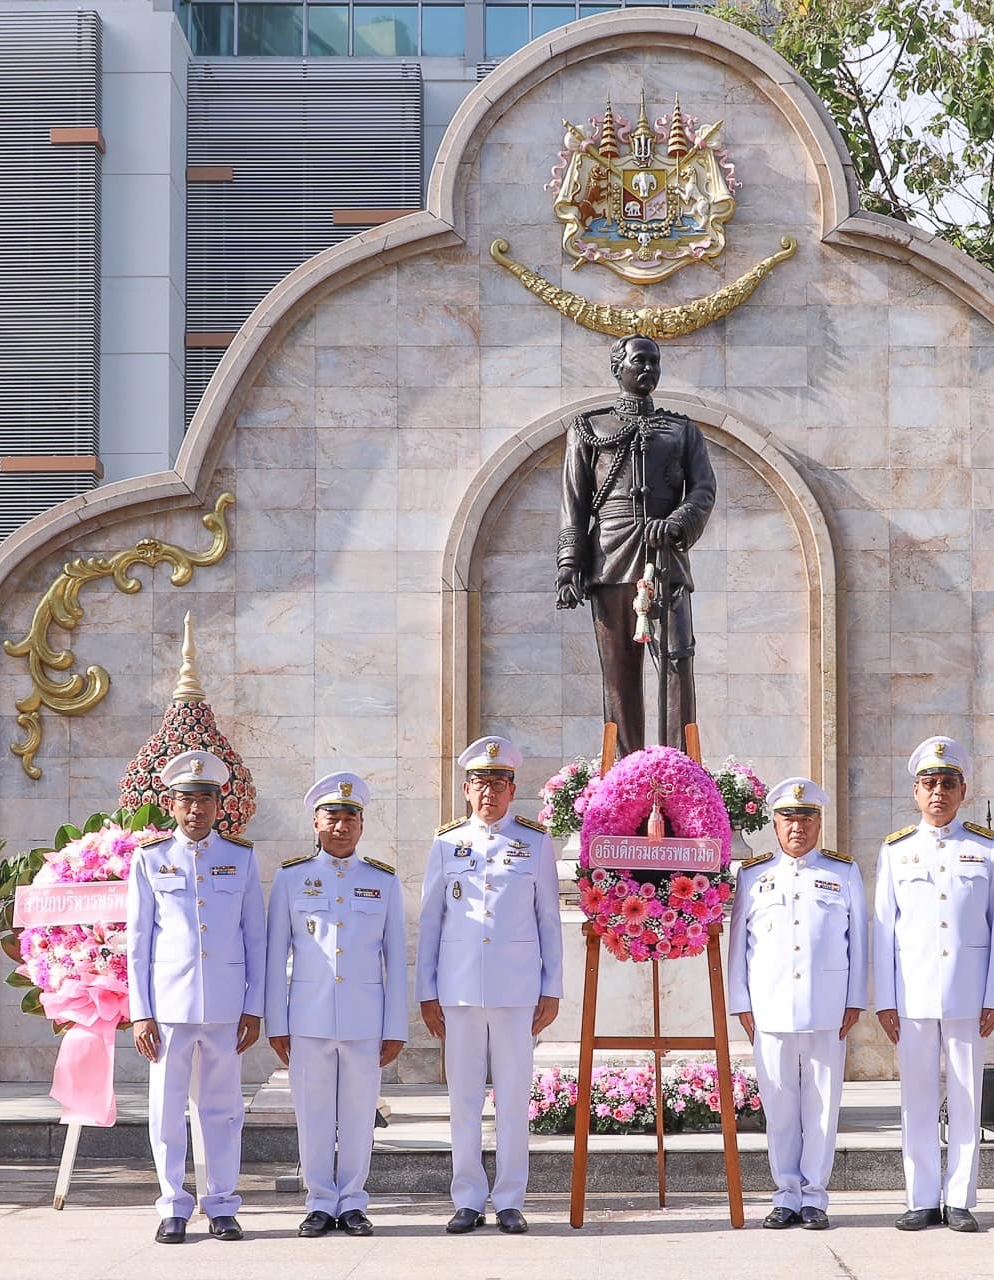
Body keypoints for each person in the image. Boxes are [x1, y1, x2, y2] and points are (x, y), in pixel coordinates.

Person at [417, 736, 563, 1234]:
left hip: (517, 991)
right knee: (463, 1099)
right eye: (480, 784)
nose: (489, 793)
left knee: (513, 1099)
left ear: (512, 790)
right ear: (466, 789)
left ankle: (510, 1199)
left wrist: (552, 987)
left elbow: (548, 921)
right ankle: (467, 1198)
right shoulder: (446, 843)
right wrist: (426, 991)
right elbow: (431, 920)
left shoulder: (535, 843)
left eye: (498, 784)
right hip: (458, 990)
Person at [554, 332, 718, 756]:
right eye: (639, 360)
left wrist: (677, 522)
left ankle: (679, 765)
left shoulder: (682, 430)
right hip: (610, 556)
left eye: (654, 362)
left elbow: (703, 489)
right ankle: (624, 769)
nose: (648, 368)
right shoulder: (589, 428)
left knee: (677, 661)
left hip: (665, 556)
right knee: (618, 670)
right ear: (618, 368)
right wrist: (569, 565)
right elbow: (574, 502)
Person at [871, 735, 994, 1232]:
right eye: (929, 784)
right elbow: (883, 930)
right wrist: (885, 999)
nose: (938, 793)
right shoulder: (896, 850)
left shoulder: (985, 847)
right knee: (917, 1099)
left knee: (968, 1098)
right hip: (912, 995)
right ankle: (922, 1198)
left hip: (969, 994)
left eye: (948, 784)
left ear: (963, 791)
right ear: (915, 791)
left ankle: (961, 1199)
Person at [127, 748, 265, 1244]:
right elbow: (138, 941)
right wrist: (140, 1012)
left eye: (205, 799)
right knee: (166, 1111)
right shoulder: (151, 858)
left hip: (226, 1007)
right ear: (171, 803)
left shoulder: (240, 857)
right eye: (187, 799)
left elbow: (256, 938)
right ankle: (172, 1205)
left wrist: (254, 1006)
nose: (196, 808)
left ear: (218, 804)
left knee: (223, 1111)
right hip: (168, 1008)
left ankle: (222, 1203)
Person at [265, 772, 406, 1238]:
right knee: (314, 1115)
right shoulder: (291, 879)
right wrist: (277, 1022)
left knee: (360, 1115)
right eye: (332, 817)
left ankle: (353, 1202)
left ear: (362, 824)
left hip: (365, 1019)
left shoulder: (382, 881)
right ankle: (320, 1201)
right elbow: (275, 956)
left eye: (350, 817)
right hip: (308, 1017)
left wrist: (395, 1027)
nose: (341, 826)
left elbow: (395, 959)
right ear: (316, 822)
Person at [726, 777, 867, 1230]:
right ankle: (786, 1194)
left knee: (822, 1107)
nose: (797, 827)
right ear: (774, 823)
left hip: (827, 1008)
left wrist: (855, 999)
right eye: (788, 818)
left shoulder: (843, 872)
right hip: (769, 1009)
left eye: (806, 818)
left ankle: (815, 1198)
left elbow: (858, 941)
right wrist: (741, 1001)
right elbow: (738, 946)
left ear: (819, 823)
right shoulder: (753, 875)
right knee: (780, 1107)